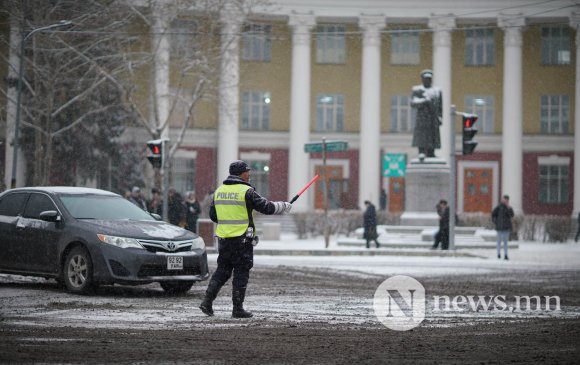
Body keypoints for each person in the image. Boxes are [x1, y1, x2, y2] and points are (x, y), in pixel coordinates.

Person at [199, 160, 292, 318]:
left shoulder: (219, 191)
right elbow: (266, 207)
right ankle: (237, 309)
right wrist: (283, 206)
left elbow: (213, 216)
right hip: (242, 240)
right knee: (241, 273)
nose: (249, 174)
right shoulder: (246, 191)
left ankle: (207, 302)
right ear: (241, 173)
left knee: (222, 271)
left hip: (224, 239)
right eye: (247, 171)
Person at [411, 69, 442, 158]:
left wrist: (440, 117)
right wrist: (424, 101)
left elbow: (440, 106)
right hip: (422, 118)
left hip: (433, 117)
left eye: (429, 78)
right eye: (426, 78)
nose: (428, 80)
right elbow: (413, 103)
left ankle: (431, 152)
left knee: (433, 135)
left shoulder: (437, 91)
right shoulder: (417, 90)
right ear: (422, 79)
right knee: (421, 135)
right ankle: (421, 151)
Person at [492, 195, 515, 260]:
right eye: (504, 199)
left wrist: (509, 208)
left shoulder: (509, 208)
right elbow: (493, 215)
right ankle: (498, 254)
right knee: (499, 242)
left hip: (506, 228)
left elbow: (512, 215)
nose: (505, 201)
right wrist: (496, 222)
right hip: (499, 228)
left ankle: (505, 255)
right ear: (502, 200)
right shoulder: (498, 207)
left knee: (505, 242)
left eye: (506, 200)